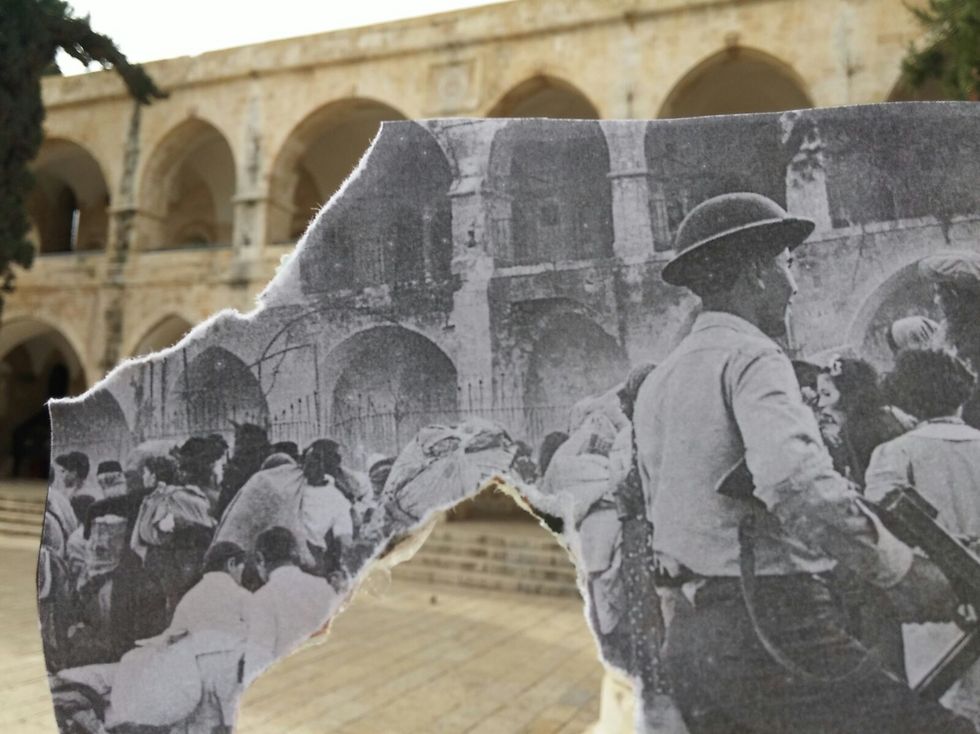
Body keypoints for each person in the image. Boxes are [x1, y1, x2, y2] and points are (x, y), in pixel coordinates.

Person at [634, 192, 973, 733]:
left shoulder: (661, 379)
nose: (794, 285)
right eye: (787, 264)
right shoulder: (752, 356)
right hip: (774, 624)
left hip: (693, 638)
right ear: (756, 274)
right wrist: (899, 570)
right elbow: (793, 481)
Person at [245, 527, 338, 684]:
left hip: (283, 682)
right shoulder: (324, 587)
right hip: (322, 675)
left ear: (260, 558)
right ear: (294, 553)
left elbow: (257, 659)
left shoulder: (262, 599)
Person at [816, 356, 914, 488]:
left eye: (827, 394)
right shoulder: (887, 417)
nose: (820, 404)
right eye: (819, 396)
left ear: (848, 394)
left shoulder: (858, 434)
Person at [919, 251, 980, 429]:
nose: (936, 300)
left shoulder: (971, 336)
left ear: (957, 297)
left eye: (940, 293)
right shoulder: (949, 331)